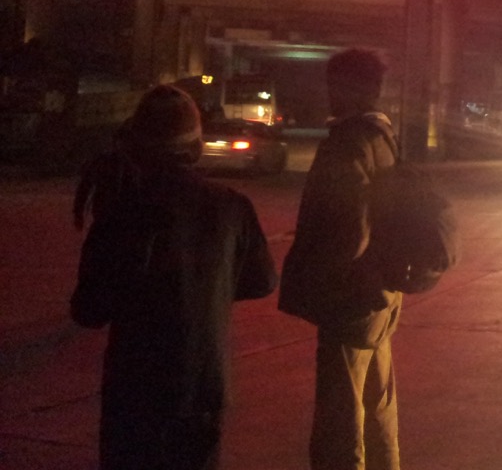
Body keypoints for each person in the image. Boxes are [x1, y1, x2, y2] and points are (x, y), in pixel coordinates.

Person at [70, 84, 278, 470]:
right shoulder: (231, 205)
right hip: (204, 383)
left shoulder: (125, 210)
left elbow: (88, 310)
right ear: (195, 147)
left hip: (135, 387)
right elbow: (262, 281)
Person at [279, 48, 403, 470]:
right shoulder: (384, 136)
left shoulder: (348, 142)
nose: (329, 93)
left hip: (350, 299)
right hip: (381, 294)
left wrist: (322, 283)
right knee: (378, 404)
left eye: (334, 85)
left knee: (339, 417)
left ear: (349, 87)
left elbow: (349, 232)